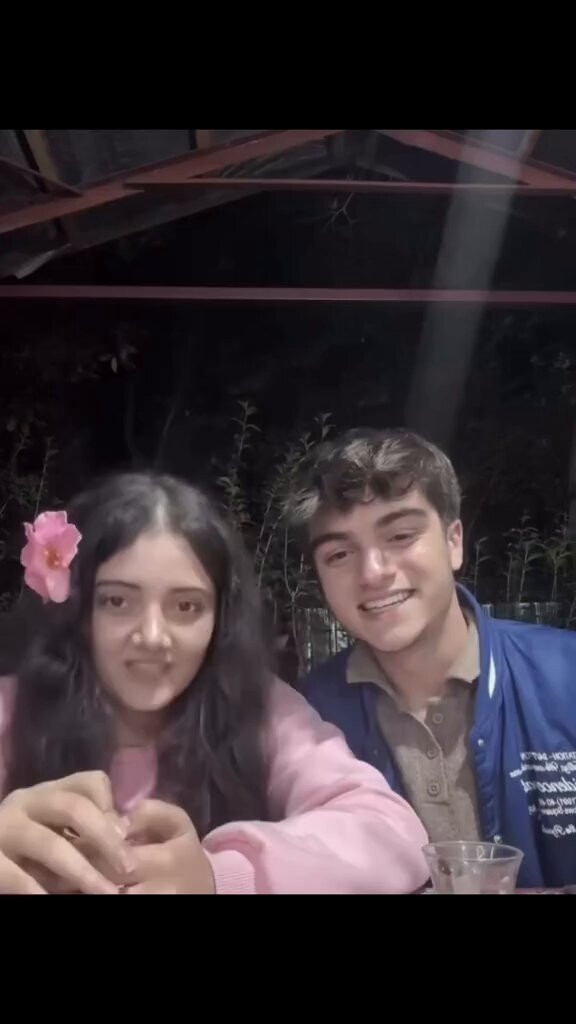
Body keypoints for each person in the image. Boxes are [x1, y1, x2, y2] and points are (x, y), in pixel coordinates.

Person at [0, 473, 428, 895]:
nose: (153, 636)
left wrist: (218, 875)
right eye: (117, 601)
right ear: (79, 611)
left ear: (219, 621)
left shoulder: (262, 710)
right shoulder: (11, 710)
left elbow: (389, 832)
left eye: (186, 606)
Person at [288, 428, 576, 890]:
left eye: (400, 535)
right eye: (340, 554)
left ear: (454, 541)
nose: (373, 573)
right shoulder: (305, 721)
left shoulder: (565, 676)